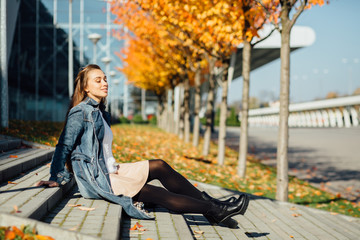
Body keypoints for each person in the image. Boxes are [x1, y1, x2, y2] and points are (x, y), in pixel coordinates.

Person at [36, 64, 249, 226]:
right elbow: (63, 146)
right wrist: (56, 178)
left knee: (159, 166)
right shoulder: (80, 112)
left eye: (105, 79)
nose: (104, 83)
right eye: (98, 80)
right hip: (99, 179)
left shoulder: (100, 113)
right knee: (159, 195)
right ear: (85, 87)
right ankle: (217, 210)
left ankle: (214, 207)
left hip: (112, 171)